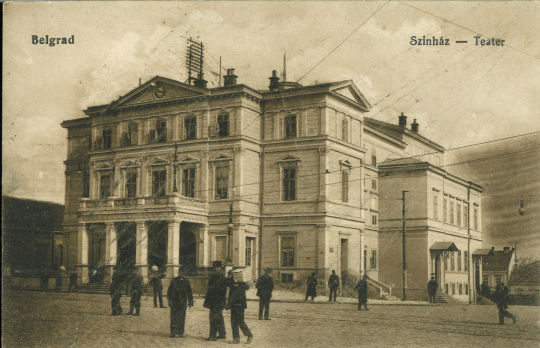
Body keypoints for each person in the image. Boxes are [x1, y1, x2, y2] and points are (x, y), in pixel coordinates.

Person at [227, 270, 253, 344]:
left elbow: (247, 286)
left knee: (239, 321)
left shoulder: (241, 284)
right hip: (237, 305)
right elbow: (227, 283)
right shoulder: (233, 283)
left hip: (238, 305)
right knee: (235, 321)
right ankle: (237, 338)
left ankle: (248, 335)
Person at [167, 268, 194, 338]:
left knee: (182, 318)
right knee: (173, 317)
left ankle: (180, 332)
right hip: (174, 302)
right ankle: (173, 332)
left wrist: (190, 302)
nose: (181, 274)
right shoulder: (173, 281)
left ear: (184, 273)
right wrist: (169, 300)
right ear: (178, 273)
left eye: (183, 272)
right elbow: (169, 291)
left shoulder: (187, 282)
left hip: (183, 302)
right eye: (180, 272)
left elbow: (189, 293)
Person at [204, 264, 227, 341]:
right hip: (213, 301)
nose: (216, 270)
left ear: (220, 269)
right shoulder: (213, 277)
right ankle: (222, 334)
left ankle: (212, 336)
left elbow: (223, 291)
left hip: (217, 301)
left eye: (218, 268)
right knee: (219, 317)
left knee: (213, 318)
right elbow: (209, 289)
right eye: (215, 268)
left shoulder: (222, 278)